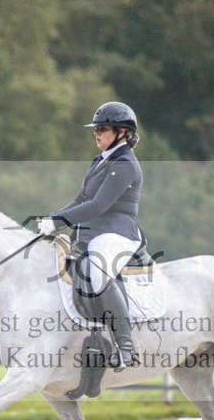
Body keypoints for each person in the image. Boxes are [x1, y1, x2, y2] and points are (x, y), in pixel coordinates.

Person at [39, 101, 144, 369]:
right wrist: (51, 218)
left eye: (103, 129)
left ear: (122, 132)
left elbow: (98, 205)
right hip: (92, 232)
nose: (96, 133)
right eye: (96, 129)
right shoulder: (101, 160)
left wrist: (58, 222)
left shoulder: (125, 164)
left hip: (117, 232)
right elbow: (80, 201)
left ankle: (126, 349)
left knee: (96, 271)